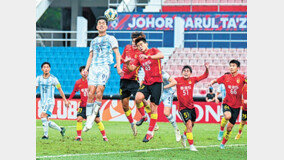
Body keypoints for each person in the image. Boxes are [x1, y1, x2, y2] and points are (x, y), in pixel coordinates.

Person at [82, 16, 123, 132]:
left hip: (104, 67)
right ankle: (88, 119)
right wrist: (86, 69)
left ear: (106, 26)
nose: (101, 25)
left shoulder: (111, 39)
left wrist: (119, 67)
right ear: (96, 26)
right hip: (94, 68)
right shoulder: (93, 41)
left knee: (99, 92)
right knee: (91, 93)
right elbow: (90, 56)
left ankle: (92, 118)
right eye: (99, 23)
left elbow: (117, 53)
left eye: (103, 23)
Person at [124, 36, 164, 143]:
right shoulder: (139, 57)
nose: (140, 47)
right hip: (146, 82)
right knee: (137, 98)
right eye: (138, 46)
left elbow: (162, 55)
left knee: (153, 106)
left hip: (157, 82)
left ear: (146, 44)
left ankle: (150, 132)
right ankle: (144, 116)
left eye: (141, 45)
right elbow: (132, 68)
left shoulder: (153, 50)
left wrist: (149, 57)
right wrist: (127, 63)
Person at [169, 64, 209, 151]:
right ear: (182, 72)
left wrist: (207, 68)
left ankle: (184, 135)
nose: (185, 72)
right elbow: (168, 81)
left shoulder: (193, 79)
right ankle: (191, 146)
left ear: (190, 73)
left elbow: (205, 75)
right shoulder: (177, 80)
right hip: (182, 108)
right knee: (189, 124)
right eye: (184, 71)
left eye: (187, 71)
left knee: (192, 124)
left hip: (191, 107)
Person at [210, 59, 247, 149]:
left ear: (237, 68)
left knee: (230, 128)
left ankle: (223, 143)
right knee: (227, 116)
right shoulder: (225, 76)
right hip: (227, 102)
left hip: (237, 106)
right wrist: (212, 82)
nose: (231, 67)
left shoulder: (242, 77)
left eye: (233, 66)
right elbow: (217, 80)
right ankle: (221, 130)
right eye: (230, 65)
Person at [118, 32, 147, 136]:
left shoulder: (140, 53)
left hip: (134, 80)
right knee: (125, 105)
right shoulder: (127, 48)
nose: (134, 43)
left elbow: (136, 67)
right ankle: (132, 123)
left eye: (136, 41)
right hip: (124, 80)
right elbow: (122, 58)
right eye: (133, 40)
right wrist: (118, 64)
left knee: (140, 99)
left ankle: (146, 117)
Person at [68, 66, 108, 141]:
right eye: (83, 71)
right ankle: (79, 137)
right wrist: (69, 99)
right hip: (83, 105)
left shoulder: (92, 83)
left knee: (97, 120)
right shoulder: (78, 82)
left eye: (86, 71)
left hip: (92, 105)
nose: (84, 72)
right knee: (79, 119)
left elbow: (98, 92)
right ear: (80, 73)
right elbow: (74, 91)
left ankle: (104, 137)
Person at [36, 62, 70, 139]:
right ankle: (61, 129)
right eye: (44, 67)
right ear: (42, 69)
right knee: (46, 120)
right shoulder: (38, 78)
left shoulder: (53, 79)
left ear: (50, 69)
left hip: (50, 101)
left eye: (47, 67)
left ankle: (46, 135)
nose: (46, 68)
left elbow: (60, 90)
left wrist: (65, 101)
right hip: (43, 102)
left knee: (42, 115)